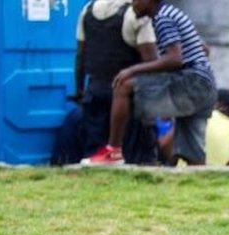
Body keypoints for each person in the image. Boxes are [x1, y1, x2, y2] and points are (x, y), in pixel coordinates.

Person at [83, 0, 216, 166]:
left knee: (124, 85)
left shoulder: (163, 18)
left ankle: (113, 151)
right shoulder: (172, 13)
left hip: (192, 83)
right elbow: (204, 49)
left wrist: (131, 70)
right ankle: (199, 186)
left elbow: (175, 58)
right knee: (192, 154)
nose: (132, 4)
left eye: (136, 0)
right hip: (205, 85)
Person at [75, 0, 159, 165]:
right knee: (135, 157)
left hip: (95, 91)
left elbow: (80, 56)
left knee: (94, 155)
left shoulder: (87, 10)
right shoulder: (136, 13)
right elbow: (150, 62)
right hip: (128, 97)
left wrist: (79, 90)